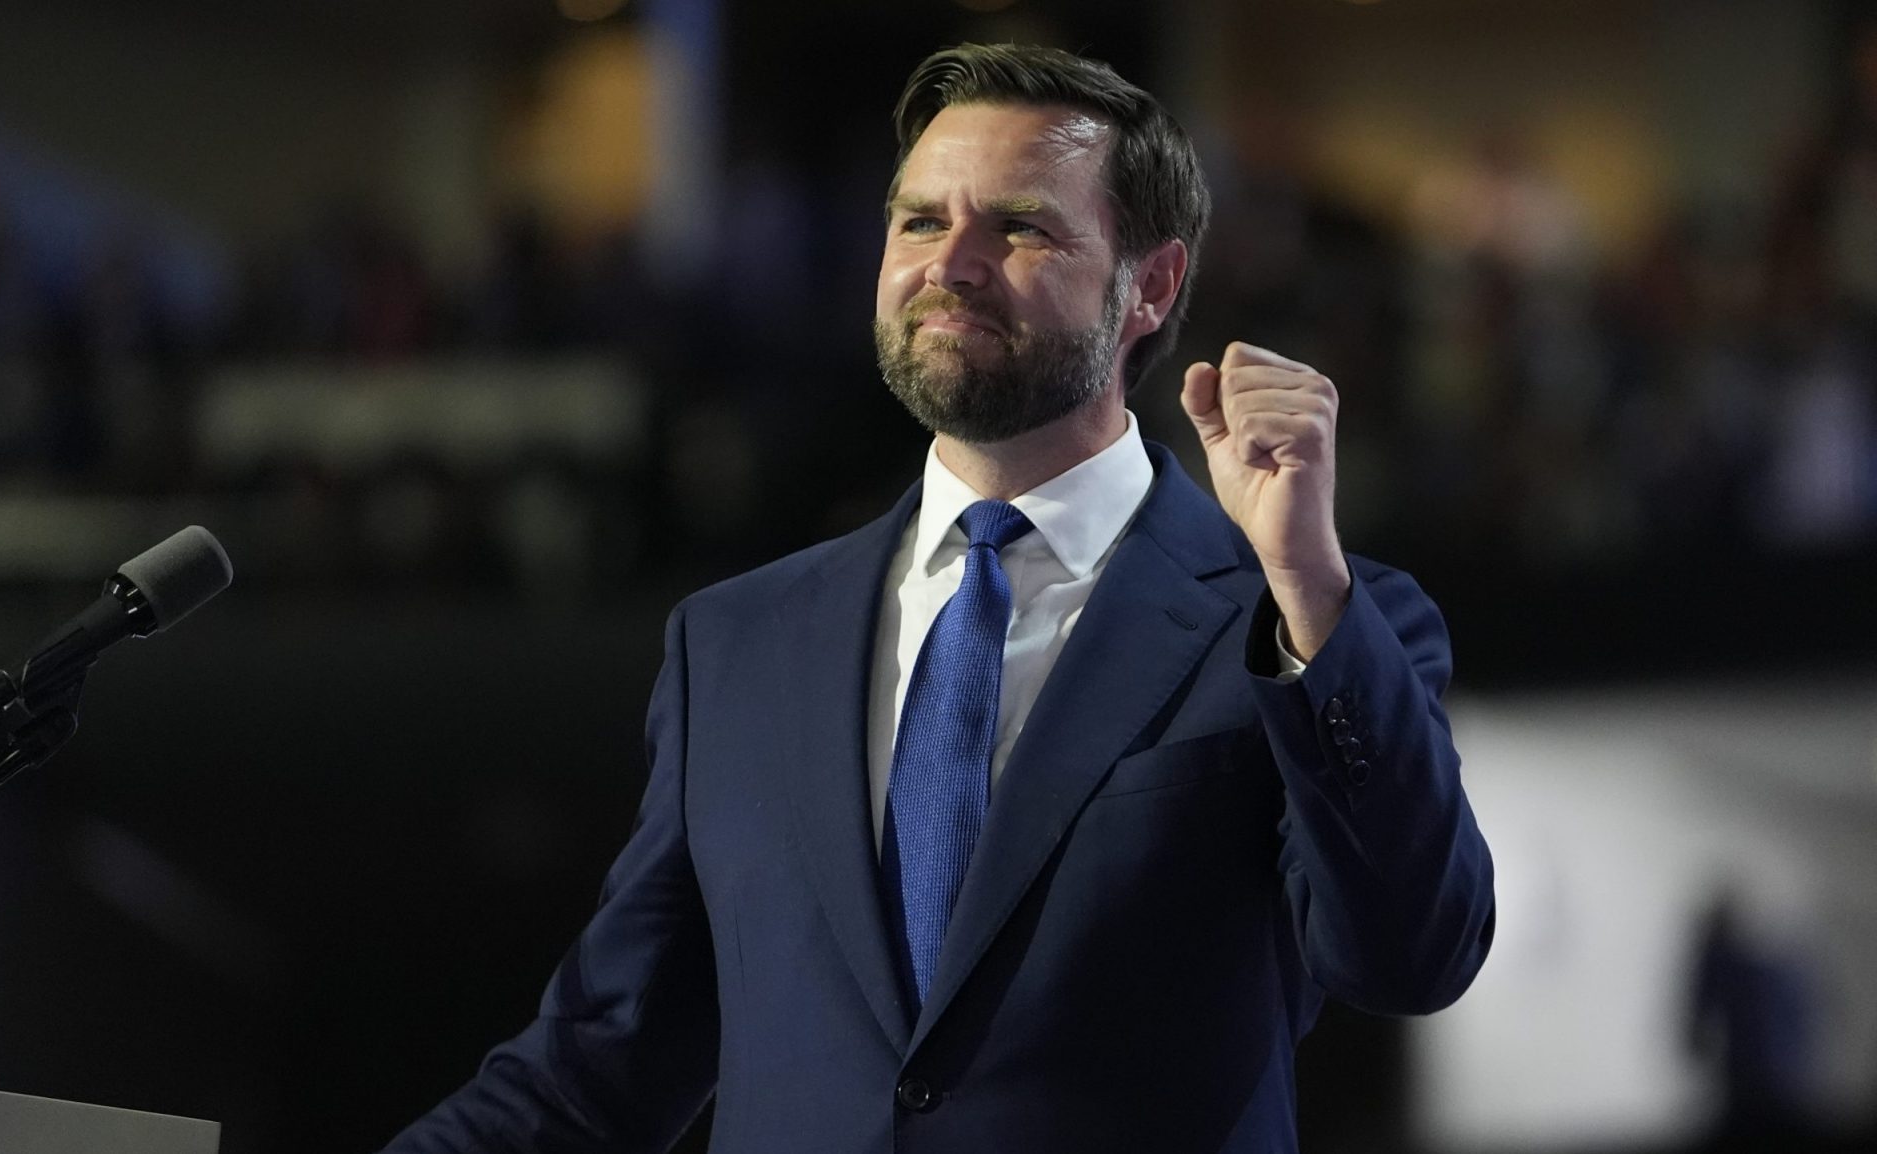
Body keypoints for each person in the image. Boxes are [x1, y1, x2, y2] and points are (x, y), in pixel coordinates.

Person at [380, 43, 1494, 1154]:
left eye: (1017, 226)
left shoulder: (1311, 624)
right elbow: (597, 1069)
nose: (949, 264)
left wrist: (1300, 581)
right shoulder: (736, 642)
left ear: (1149, 284)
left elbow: (1409, 956)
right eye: (918, 221)